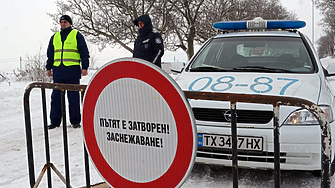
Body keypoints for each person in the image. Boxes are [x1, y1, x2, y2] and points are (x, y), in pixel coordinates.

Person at [46, 15, 90, 129]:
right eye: (61, 22)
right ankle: (55, 121)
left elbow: (84, 52)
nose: (63, 24)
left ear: (70, 23)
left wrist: (85, 67)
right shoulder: (54, 37)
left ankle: (75, 121)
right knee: (56, 97)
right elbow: (50, 54)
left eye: (65, 22)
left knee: (73, 97)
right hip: (58, 71)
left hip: (72, 70)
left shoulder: (76, 35)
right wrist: (48, 68)